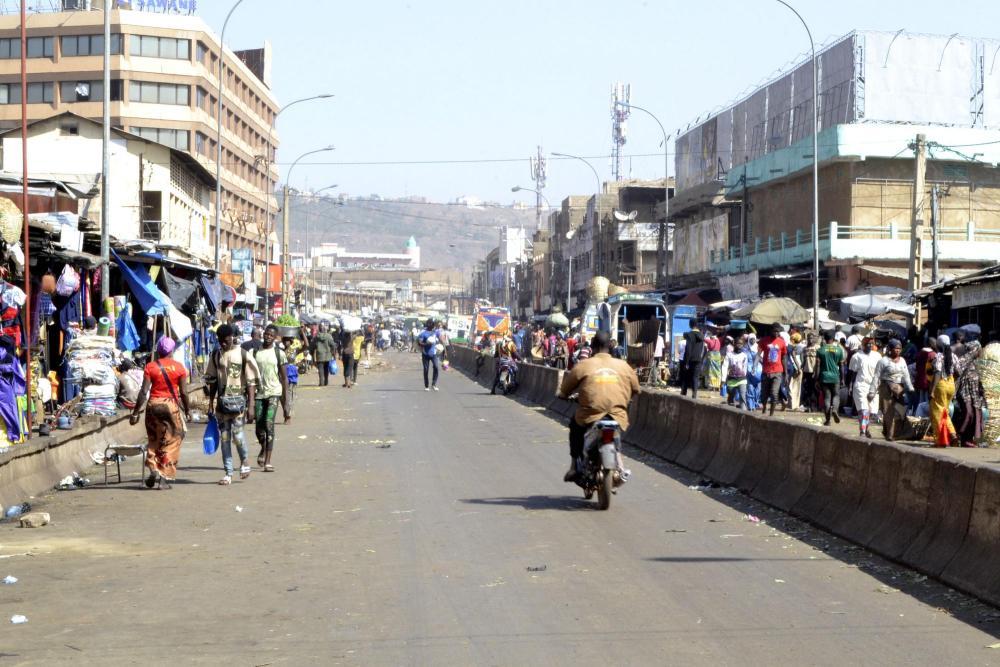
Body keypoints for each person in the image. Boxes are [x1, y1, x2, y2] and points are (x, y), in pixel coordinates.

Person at [557, 331, 640, 482]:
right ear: (610, 346)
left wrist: (563, 395)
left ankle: (574, 466)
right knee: (617, 433)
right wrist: (625, 399)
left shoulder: (584, 365)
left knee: (575, 426)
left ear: (593, 347)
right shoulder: (623, 366)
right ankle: (619, 466)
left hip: (590, 414)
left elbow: (565, 390)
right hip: (617, 414)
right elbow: (636, 389)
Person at [130, 335, 191, 489]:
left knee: (154, 438)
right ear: (172, 351)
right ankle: (163, 477)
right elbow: (184, 393)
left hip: (153, 406)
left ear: (158, 351)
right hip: (170, 406)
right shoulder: (179, 368)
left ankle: (153, 468)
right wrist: (187, 410)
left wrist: (135, 413)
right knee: (172, 440)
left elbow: (143, 391)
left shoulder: (150, 367)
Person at [206, 323, 259, 485]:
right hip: (222, 405)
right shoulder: (216, 356)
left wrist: (251, 406)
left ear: (232, 338)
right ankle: (228, 473)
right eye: (220, 340)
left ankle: (244, 461)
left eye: (226, 340)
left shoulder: (243, 355)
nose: (223, 343)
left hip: (239, 404)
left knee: (238, 435)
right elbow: (212, 381)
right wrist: (211, 402)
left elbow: (251, 382)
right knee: (225, 439)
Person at [253, 325, 290, 472]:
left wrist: (286, 401)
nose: (268, 337)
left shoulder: (279, 353)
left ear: (275, 338)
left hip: (274, 392)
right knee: (259, 428)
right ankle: (263, 447)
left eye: (271, 335)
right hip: (259, 393)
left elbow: (284, 378)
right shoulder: (255, 352)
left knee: (269, 424)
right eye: (266, 334)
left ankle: (268, 461)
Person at [872, 338, 914, 442]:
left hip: (899, 389)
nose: (898, 350)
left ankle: (899, 433)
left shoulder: (902, 360)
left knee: (901, 410)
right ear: (890, 349)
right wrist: (872, 391)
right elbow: (876, 377)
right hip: (886, 388)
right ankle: (890, 434)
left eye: (899, 349)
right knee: (888, 412)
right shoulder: (883, 361)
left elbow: (906, 375)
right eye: (896, 348)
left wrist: (910, 387)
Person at [953, 340, 985, 448]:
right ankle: (959, 436)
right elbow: (957, 374)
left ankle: (968, 439)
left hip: (975, 394)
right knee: (968, 413)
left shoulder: (978, 362)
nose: (979, 352)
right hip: (964, 391)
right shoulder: (963, 360)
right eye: (978, 350)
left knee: (976, 414)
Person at [928, 334, 958, 446]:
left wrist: (932, 390)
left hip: (940, 385)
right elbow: (958, 372)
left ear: (939, 345)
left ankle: (945, 437)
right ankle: (947, 437)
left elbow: (937, 373)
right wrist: (952, 382)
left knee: (937, 413)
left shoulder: (939, 356)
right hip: (951, 384)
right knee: (944, 411)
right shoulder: (954, 356)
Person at [849, 338, 882, 438]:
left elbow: (880, 372)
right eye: (868, 343)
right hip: (861, 385)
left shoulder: (877, 356)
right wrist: (850, 386)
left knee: (871, 412)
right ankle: (862, 431)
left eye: (872, 343)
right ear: (863, 344)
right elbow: (852, 373)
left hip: (873, 386)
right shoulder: (856, 356)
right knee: (864, 410)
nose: (870, 345)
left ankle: (866, 428)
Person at [815, 330, 845, 426]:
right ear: (833, 339)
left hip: (824, 377)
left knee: (827, 397)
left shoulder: (820, 350)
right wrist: (843, 379)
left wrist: (816, 379)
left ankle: (828, 420)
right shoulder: (839, 350)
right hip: (835, 377)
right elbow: (841, 366)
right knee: (836, 395)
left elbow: (818, 366)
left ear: (825, 339)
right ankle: (835, 409)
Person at [757, 324, 788, 416]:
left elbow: (784, 357)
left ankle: (771, 414)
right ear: (771, 331)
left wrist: (786, 373)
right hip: (766, 371)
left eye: (778, 331)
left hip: (777, 372)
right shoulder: (763, 341)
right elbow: (758, 354)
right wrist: (756, 364)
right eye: (775, 331)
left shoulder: (782, 342)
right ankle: (764, 407)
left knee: (774, 393)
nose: (776, 333)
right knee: (764, 394)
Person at [721, 335, 751, 410]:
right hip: (731, 380)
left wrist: (745, 376)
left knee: (743, 396)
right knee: (731, 396)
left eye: (741, 344)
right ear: (734, 344)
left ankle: (743, 413)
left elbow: (745, 367)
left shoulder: (744, 356)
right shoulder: (729, 355)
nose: (739, 345)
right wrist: (723, 379)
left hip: (742, 379)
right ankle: (731, 410)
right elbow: (725, 367)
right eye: (738, 343)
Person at [680, 322, 706, 398]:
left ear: (690, 325)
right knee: (695, 377)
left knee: (686, 376)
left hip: (690, 359)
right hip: (698, 360)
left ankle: (683, 393)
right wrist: (701, 359)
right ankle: (694, 394)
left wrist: (686, 361)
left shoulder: (690, 335)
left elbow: (688, 349)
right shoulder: (702, 335)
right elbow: (705, 349)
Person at [417, 318, 441, 391]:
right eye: (431, 324)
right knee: (426, 369)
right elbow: (419, 343)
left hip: (434, 354)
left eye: (433, 324)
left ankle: (434, 384)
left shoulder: (435, 332)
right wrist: (426, 344)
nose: (432, 326)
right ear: (428, 325)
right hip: (425, 354)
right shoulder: (423, 333)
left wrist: (443, 348)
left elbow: (440, 339)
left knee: (436, 367)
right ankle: (426, 386)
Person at [310, 322, 337, 387]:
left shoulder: (316, 337)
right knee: (326, 369)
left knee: (320, 369)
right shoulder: (328, 336)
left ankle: (321, 382)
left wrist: (312, 354)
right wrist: (333, 353)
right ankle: (326, 382)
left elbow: (312, 346)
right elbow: (333, 345)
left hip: (319, 355)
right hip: (327, 355)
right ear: (324, 329)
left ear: (319, 329)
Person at [281, 336, 299, 422]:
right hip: (282, 373)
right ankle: (286, 413)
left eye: (288, 340)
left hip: (291, 373)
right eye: (284, 340)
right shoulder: (280, 351)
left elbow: (306, 345)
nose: (286, 342)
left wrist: (302, 332)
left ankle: (288, 415)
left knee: (289, 394)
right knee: (282, 396)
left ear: (291, 341)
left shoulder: (294, 350)